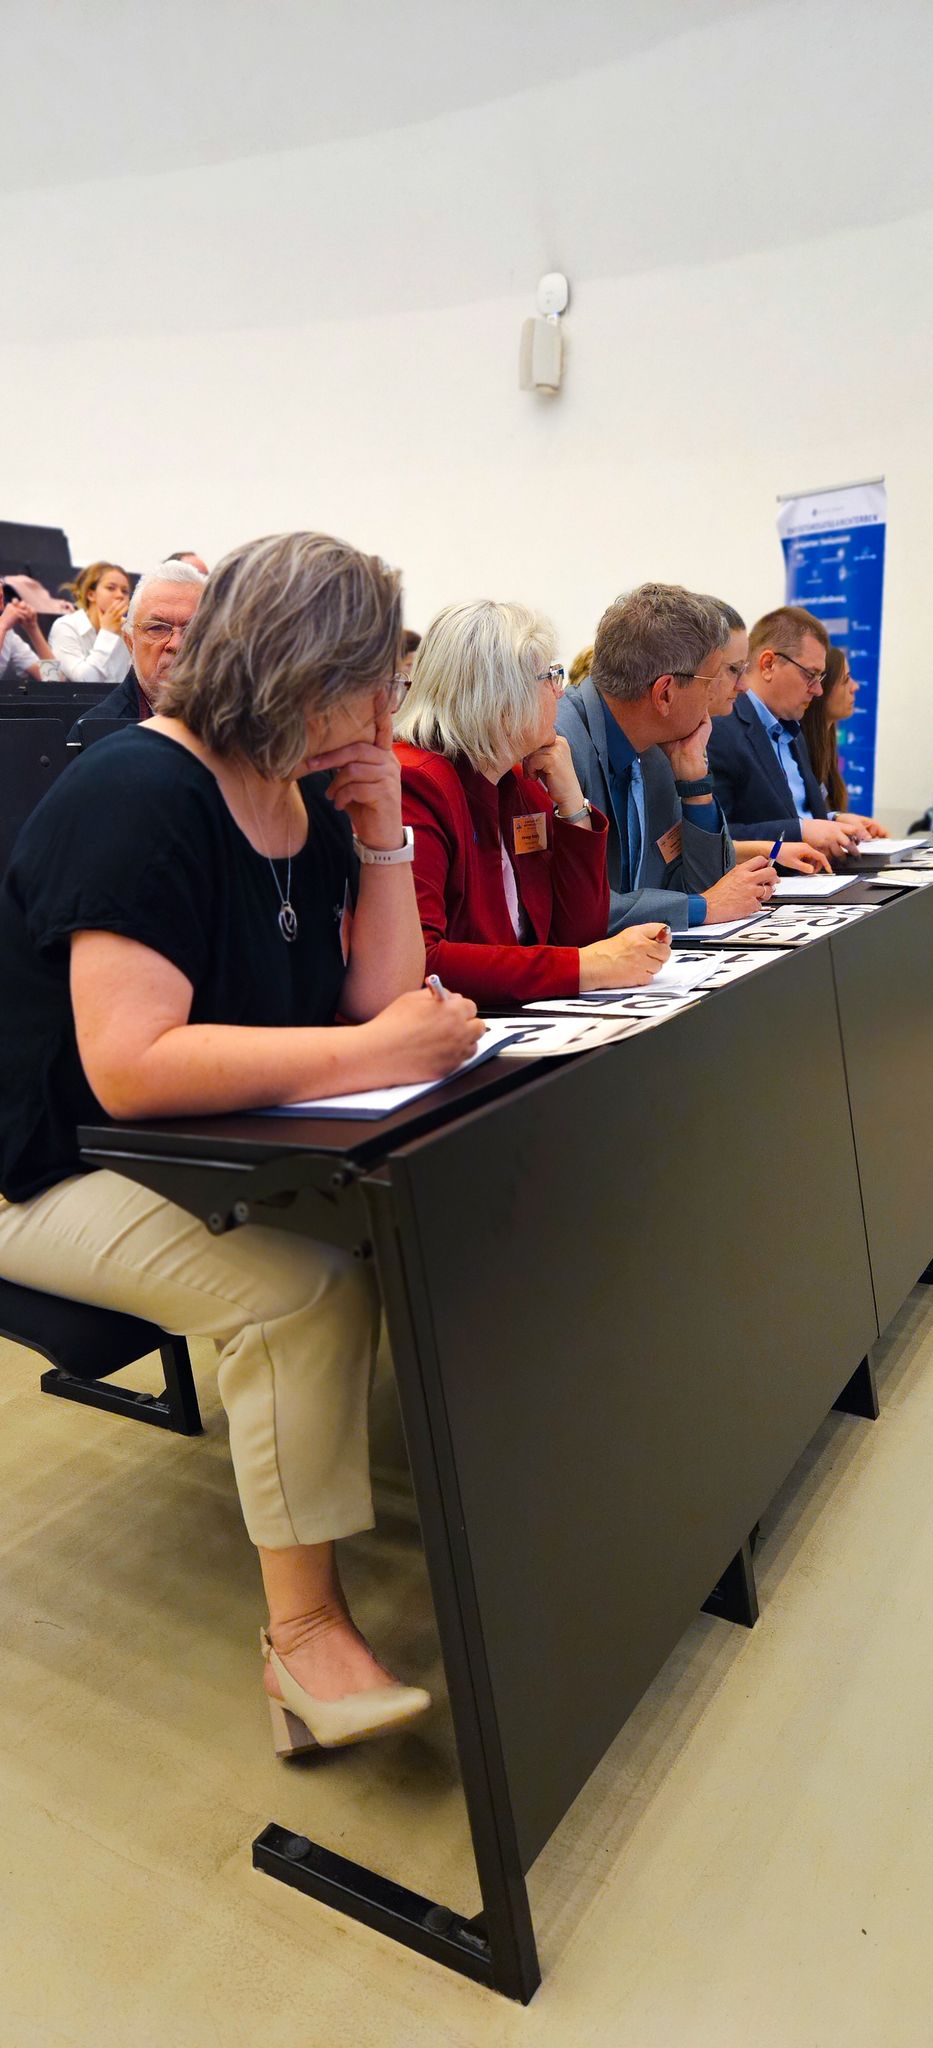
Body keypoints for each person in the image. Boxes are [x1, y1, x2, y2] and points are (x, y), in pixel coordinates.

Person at [0, 530, 484, 1758]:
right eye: (373, 683)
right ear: (298, 671)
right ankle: (303, 1636)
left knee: (412, 1213)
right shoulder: (136, 789)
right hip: (42, 1165)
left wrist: (383, 831)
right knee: (299, 1289)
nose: (387, 711)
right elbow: (131, 1063)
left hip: (172, 1148)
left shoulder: (304, 798)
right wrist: (373, 1052)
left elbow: (378, 996)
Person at [396, 601, 670, 1004]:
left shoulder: (517, 781)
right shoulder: (416, 783)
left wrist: (572, 804)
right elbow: (423, 962)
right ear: (501, 695)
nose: (560, 691)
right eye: (550, 676)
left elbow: (580, 934)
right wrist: (587, 968)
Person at [556, 583, 775, 932]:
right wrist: (700, 907)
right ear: (665, 693)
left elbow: (708, 888)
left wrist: (695, 785)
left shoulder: (660, 748)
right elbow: (573, 912)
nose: (715, 695)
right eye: (709, 682)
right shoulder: (559, 747)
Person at [707, 605, 866, 858]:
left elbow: (794, 814)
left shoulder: (791, 730)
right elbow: (714, 838)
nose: (818, 690)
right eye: (810, 675)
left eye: (820, 678)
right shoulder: (721, 729)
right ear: (768, 665)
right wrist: (801, 831)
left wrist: (836, 822)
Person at [66, 558, 207, 734]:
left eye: (193, 629)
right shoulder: (95, 733)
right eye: (157, 628)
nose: (176, 644)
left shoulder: (237, 725)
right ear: (130, 642)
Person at [799, 644, 885, 836]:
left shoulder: (825, 746)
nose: (855, 687)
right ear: (822, 689)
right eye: (845, 680)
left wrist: (845, 824)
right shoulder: (796, 750)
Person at [49, 561, 134, 685]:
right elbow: (85, 681)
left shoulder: (129, 631)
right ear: (91, 595)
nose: (120, 595)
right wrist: (107, 634)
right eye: (111, 588)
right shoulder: (66, 626)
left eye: (125, 591)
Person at [0, 589, 53, 683]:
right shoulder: (3, 627)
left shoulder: (8, 634)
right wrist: (2, 624)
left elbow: (53, 678)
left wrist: (32, 628)